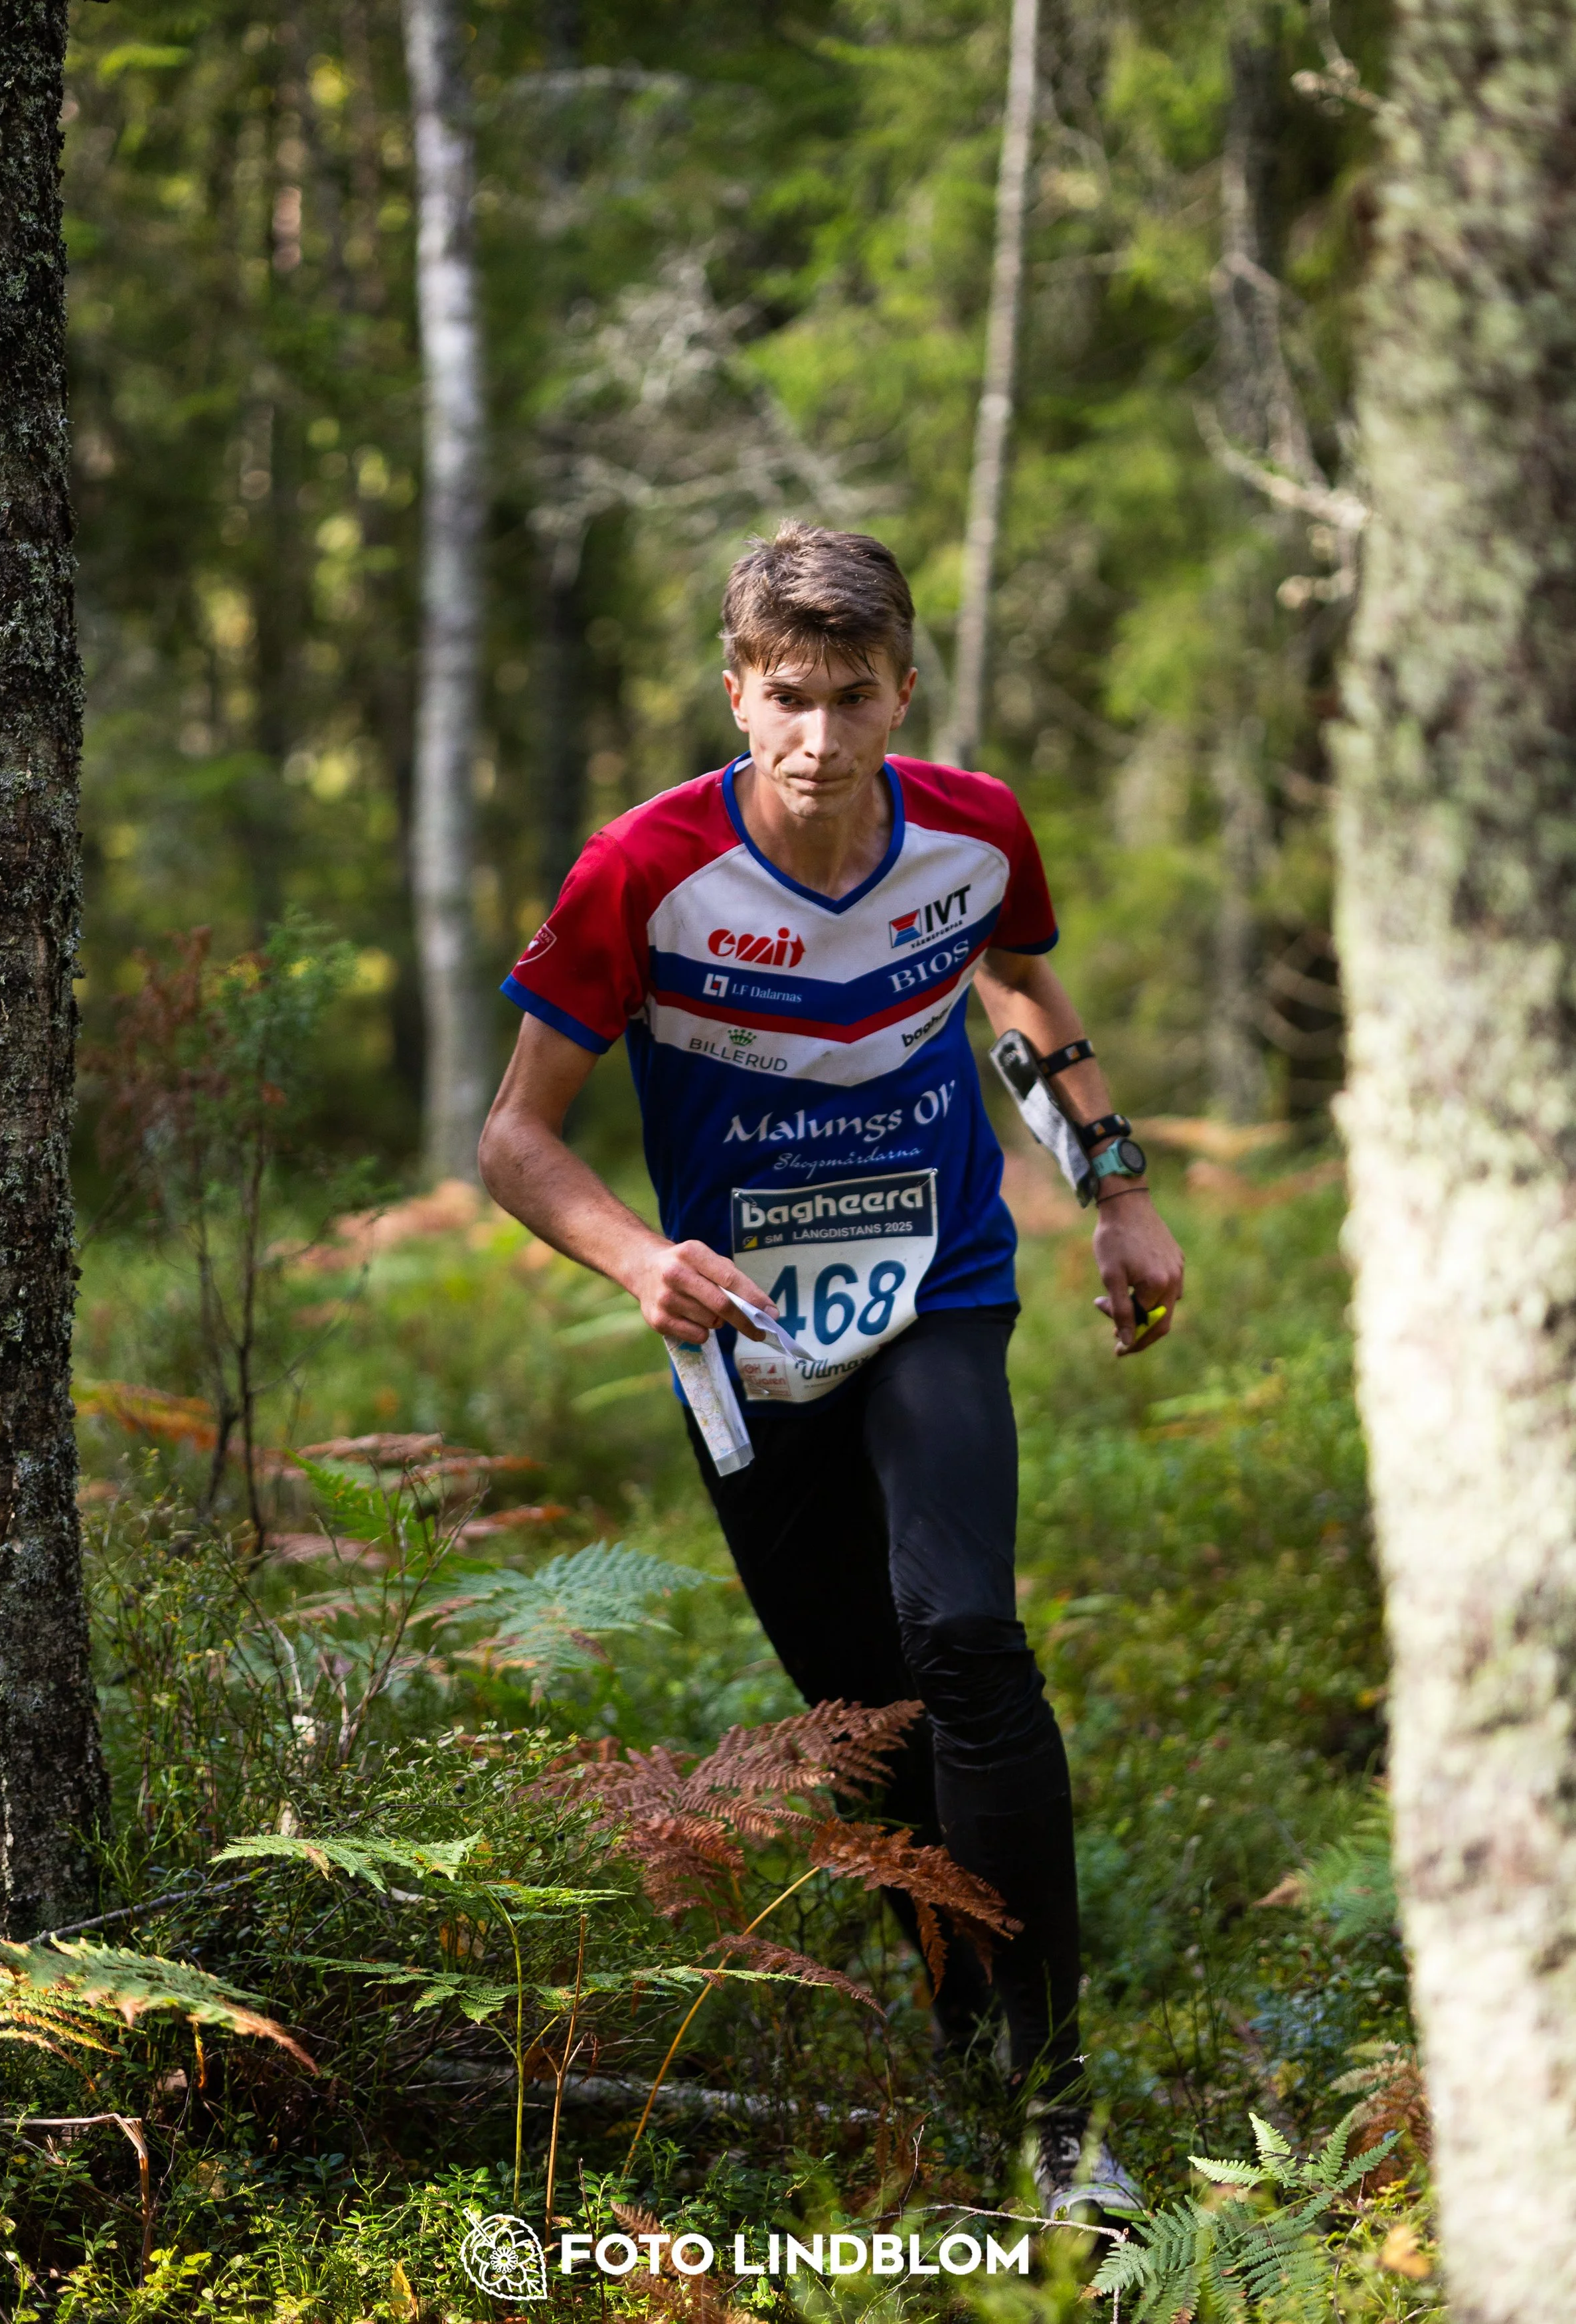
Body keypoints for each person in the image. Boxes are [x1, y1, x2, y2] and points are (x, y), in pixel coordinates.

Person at [479, 521, 1184, 2213]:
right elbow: (513, 1139)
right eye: (783, 696)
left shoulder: (972, 831)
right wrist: (641, 1258)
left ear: (900, 688)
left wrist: (1118, 1189)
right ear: (735, 691)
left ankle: (1054, 2103)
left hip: (939, 1284)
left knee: (968, 1644)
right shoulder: (639, 872)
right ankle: (960, 2030)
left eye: (849, 696)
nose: (815, 735)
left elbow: (1015, 977)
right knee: (862, 1719)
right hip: (751, 1336)